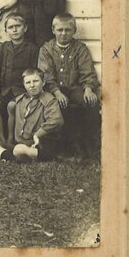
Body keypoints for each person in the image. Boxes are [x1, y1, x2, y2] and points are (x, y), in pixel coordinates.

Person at [37, 13, 101, 155]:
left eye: (68, 30)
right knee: (57, 104)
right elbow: (46, 75)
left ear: (74, 31)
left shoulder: (80, 48)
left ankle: (90, 146)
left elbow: (87, 71)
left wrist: (88, 89)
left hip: (74, 88)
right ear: (53, 30)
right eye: (60, 30)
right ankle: (63, 147)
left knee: (91, 102)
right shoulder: (46, 50)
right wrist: (57, 92)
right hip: (53, 90)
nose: (64, 34)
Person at [0, 68, 64, 162]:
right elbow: (12, 115)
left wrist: (37, 135)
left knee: (19, 149)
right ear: (24, 85)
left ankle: (43, 156)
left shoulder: (49, 100)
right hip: (19, 143)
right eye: (28, 82)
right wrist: (10, 140)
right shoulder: (20, 99)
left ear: (43, 82)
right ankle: (11, 157)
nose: (32, 85)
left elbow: (56, 120)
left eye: (36, 81)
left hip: (37, 143)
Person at [0, 12, 40, 145]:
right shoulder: (3, 47)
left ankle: (11, 138)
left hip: (22, 91)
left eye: (18, 26)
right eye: (11, 27)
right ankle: (1, 137)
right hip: (4, 89)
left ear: (25, 28)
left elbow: (36, 71)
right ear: (6, 30)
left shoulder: (32, 49)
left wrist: (30, 90)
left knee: (12, 106)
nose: (14, 30)